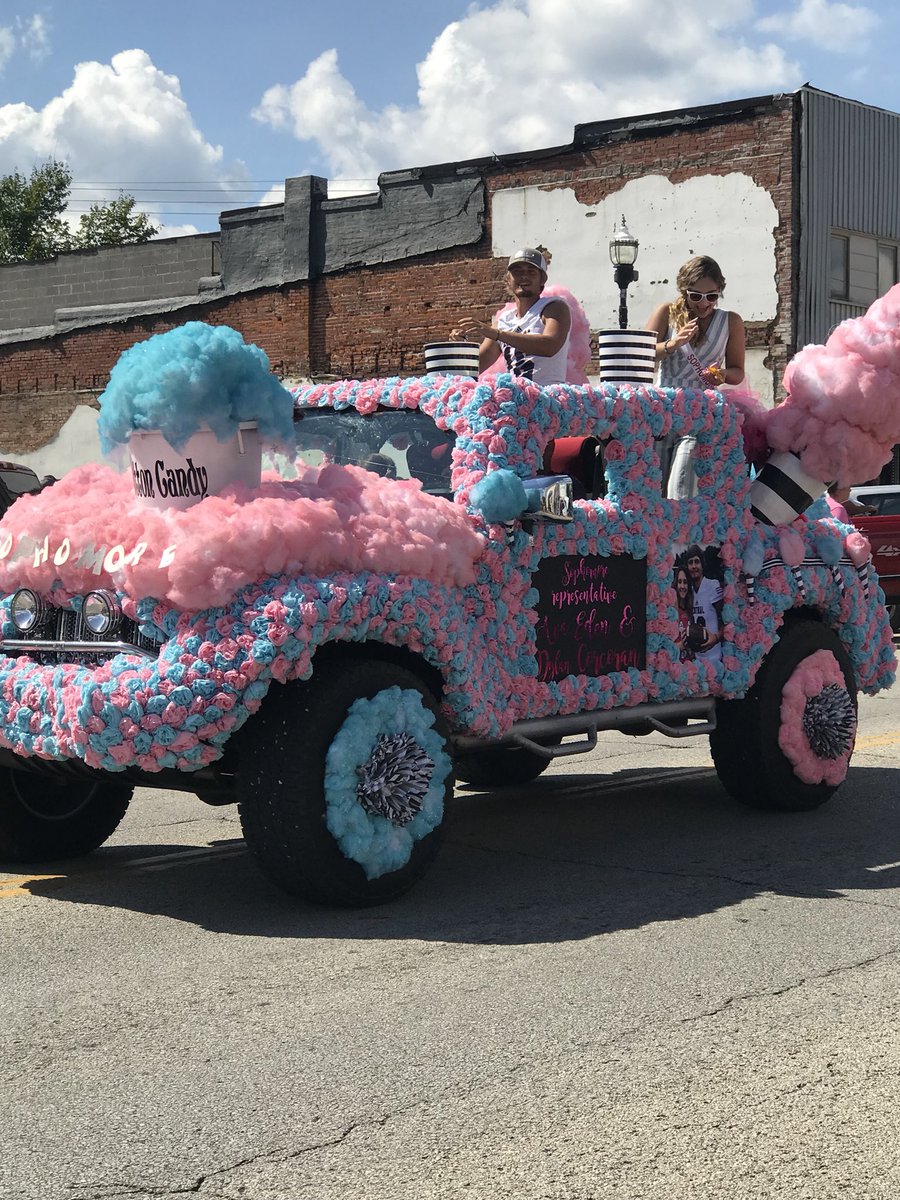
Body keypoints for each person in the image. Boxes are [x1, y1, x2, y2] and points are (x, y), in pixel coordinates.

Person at [450, 248, 571, 385]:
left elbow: (550, 346)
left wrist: (498, 334)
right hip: (515, 400)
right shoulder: (503, 321)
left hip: (548, 399)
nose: (524, 277)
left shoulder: (554, 307)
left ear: (542, 279)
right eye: (517, 272)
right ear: (508, 280)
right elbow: (473, 368)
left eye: (531, 272)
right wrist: (459, 346)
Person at [646, 255, 745, 389]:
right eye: (696, 296)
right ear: (684, 292)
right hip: (665, 400)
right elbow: (642, 355)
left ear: (719, 292)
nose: (704, 303)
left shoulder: (731, 321)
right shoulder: (666, 312)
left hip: (706, 404)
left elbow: (738, 372)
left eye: (711, 296)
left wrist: (724, 374)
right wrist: (673, 344)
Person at [685, 545, 724, 663]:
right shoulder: (689, 591)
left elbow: (726, 621)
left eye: (697, 562)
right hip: (697, 658)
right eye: (690, 563)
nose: (693, 566)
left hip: (714, 657)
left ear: (702, 564)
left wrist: (716, 638)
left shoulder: (712, 585)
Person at [674, 564, 695, 661]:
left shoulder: (692, 610)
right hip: (675, 668)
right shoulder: (671, 611)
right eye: (679, 582)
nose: (682, 586)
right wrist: (681, 645)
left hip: (690, 667)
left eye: (685, 582)